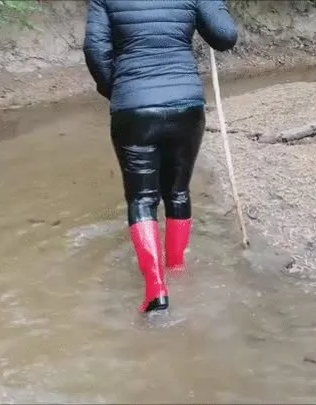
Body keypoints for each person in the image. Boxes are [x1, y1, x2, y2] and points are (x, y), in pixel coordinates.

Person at [83, 0, 238, 314]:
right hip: (185, 105)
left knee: (141, 200)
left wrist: (120, 90)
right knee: (178, 191)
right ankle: (178, 269)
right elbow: (225, 37)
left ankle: (156, 290)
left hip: (133, 107)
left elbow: (94, 49)